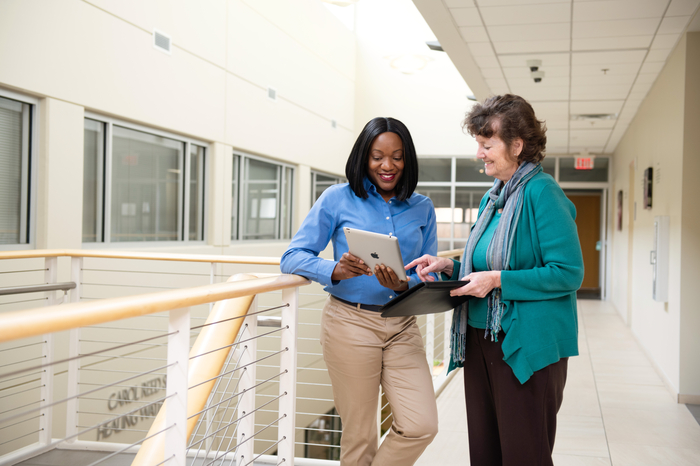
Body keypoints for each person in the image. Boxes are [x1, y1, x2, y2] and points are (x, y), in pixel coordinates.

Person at [406, 94, 584, 466]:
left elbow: (568, 273)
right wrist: (448, 268)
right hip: (480, 339)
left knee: (524, 454)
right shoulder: (495, 198)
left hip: (523, 344)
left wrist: (500, 280)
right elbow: (485, 270)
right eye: (479, 145)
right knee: (485, 452)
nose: (479, 154)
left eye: (487, 145)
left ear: (517, 145)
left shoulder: (542, 192)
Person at [281, 117, 439, 466]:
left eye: (397, 156)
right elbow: (292, 257)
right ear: (363, 157)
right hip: (348, 323)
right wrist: (334, 269)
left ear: (407, 160)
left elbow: (427, 273)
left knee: (421, 424)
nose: (387, 165)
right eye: (377, 156)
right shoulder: (336, 198)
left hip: (402, 323)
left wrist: (404, 283)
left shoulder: (422, 207)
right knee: (359, 436)